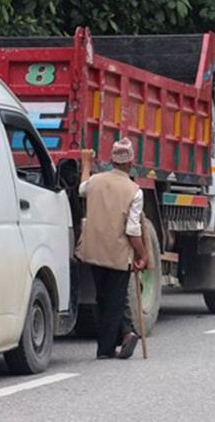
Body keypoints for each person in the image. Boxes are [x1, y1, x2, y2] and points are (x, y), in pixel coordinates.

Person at [76, 139, 150, 360]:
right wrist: (143, 254)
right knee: (114, 300)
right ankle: (106, 349)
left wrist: (86, 164)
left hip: (93, 249)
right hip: (118, 254)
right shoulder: (134, 191)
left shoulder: (95, 181)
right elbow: (132, 230)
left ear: (111, 160)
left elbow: (81, 189)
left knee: (102, 297)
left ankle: (125, 334)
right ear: (131, 163)